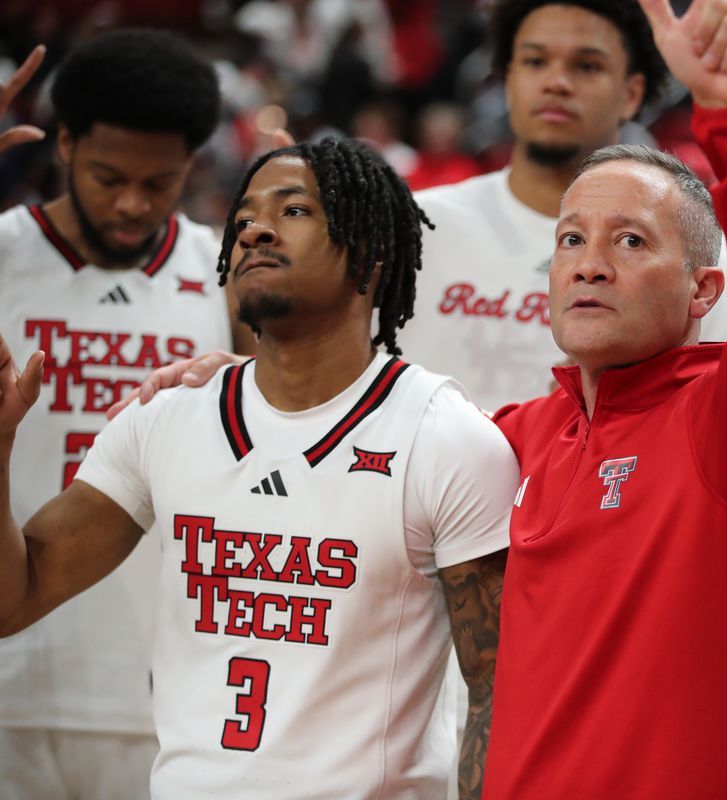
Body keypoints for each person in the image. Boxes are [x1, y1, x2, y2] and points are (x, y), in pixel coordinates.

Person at [0, 137, 519, 800]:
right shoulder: (167, 416)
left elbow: (497, 686)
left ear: (371, 250)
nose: (256, 230)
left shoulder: (444, 437)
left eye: (294, 211)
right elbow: (14, 600)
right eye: (244, 216)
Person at [481, 0, 727, 796]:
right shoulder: (517, 437)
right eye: (571, 239)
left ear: (704, 289)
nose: (589, 264)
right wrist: (239, 375)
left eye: (631, 240)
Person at [0, 30, 253, 800]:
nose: (134, 204)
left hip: (162, 694)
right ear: (65, 143)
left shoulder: (226, 273)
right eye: (110, 177)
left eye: (161, 182)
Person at [402, 0, 727, 413]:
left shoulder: (698, 251)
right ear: (508, 79)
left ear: (631, 93)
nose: (557, 82)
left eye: (587, 66)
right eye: (535, 61)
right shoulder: (412, 227)